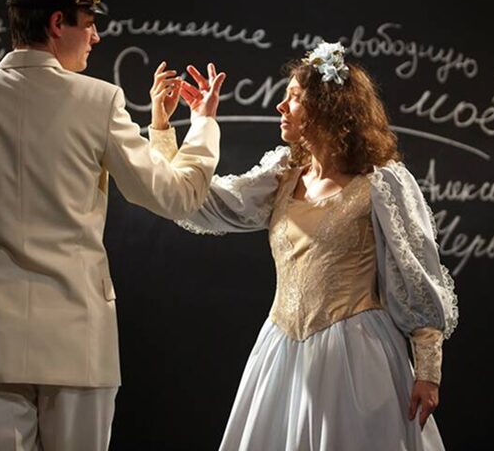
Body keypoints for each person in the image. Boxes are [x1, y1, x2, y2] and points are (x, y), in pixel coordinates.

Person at [0, 0, 226, 451]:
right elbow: (175, 196)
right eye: (88, 23)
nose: (95, 37)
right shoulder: (100, 101)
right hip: (80, 348)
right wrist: (200, 125)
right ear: (57, 24)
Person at [171, 41, 458, 451]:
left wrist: (428, 371)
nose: (280, 107)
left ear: (326, 108)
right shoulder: (283, 176)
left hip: (356, 352)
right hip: (283, 346)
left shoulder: (381, 183)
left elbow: (417, 275)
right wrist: (185, 128)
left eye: (293, 98)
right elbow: (204, 202)